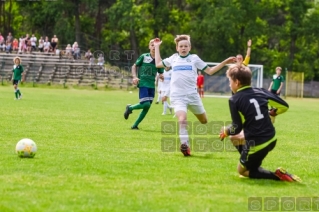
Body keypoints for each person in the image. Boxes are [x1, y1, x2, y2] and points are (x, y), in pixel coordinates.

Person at [154, 35, 236, 156]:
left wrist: (225, 62)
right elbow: (158, 64)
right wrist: (156, 47)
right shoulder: (173, 58)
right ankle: (185, 144)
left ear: (190, 47)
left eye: (186, 46)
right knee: (182, 119)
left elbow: (210, 71)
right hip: (177, 96)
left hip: (192, 96)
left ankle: (186, 142)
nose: (183, 48)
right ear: (177, 48)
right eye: (181, 46)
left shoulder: (194, 58)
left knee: (204, 121)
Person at [219, 64, 301, 182]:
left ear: (236, 82)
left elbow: (236, 127)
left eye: (229, 81)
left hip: (257, 143)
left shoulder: (234, 100)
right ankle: (251, 163)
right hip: (272, 138)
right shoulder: (261, 91)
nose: (229, 84)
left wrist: (226, 130)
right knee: (234, 138)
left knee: (242, 171)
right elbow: (284, 106)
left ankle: (277, 175)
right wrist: (273, 112)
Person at [123, 38, 164, 130]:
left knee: (147, 107)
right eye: (152, 45)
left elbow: (161, 72)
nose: (154, 47)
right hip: (143, 83)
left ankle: (135, 125)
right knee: (146, 104)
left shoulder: (159, 60)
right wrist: (134, 77)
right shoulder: (144, 56)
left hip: (152, 85)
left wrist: (161, 76)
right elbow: (134, 66)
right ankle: (130, 108)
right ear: (149, 47)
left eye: (155, 45)